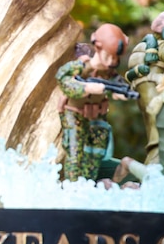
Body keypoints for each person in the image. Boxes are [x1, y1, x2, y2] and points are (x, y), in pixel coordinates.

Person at [56, 23, 132, 181]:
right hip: (75, 114)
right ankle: (72, 185)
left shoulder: (109, 73)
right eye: (109, 56)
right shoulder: (82, 66)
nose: (112, 61)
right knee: (74, 150)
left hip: (97, 117)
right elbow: (62, 78)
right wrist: (86, 88)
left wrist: (120, 93)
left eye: (115, 58)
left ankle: (88, 183)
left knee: (95, 153)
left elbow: (118, 84)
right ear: (98, 48)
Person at [125, 11, 164, 167]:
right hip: (150, 84)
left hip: (149, 84)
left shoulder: (152, 42)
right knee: (157, 129)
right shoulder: (158, 43)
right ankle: (155, 169)